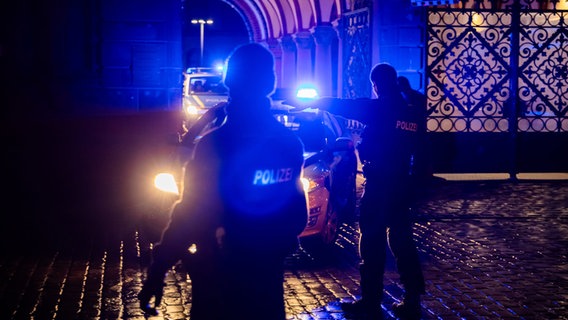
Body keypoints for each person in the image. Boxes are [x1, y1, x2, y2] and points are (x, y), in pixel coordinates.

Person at [138, 43, 308, 320]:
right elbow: (296, 212)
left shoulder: (216, 144)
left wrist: (159, 269)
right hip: (266, 282)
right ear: (271, 83)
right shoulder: (289, 144)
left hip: (219, 281)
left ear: (229, 81)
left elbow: (190, 214)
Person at [290, 63, 425, 319]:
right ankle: (413, 297)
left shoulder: (379, 108)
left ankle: (371, 300)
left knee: (372, 240)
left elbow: (344, 105)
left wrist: (315, 101)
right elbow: (422, 152)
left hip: (380, 184)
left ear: (376, 85)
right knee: (402, 239)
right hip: (401, 184)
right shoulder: (410, 112)